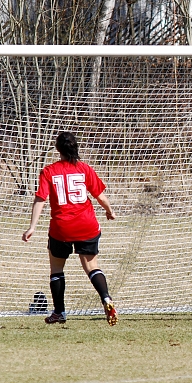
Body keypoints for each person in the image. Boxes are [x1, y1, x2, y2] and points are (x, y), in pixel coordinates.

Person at [21, 131, 118, 326]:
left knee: (57, 269)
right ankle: (106, 298)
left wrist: (32, 226)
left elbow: (40, 198)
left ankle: (59, 312)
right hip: (87, 224)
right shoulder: (84, 168)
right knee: (92, 266)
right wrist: (110, 211)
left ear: (58, 149)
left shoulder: (49, 171)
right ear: (76, 147)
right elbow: (99, 196)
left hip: (62, 227)